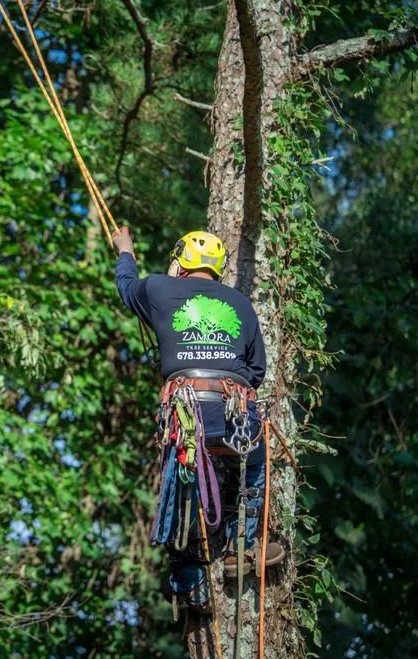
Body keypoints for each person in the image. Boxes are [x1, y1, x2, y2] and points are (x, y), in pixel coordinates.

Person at [112, 226, 284, 611]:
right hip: (233, 411)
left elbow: (126, 286)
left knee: (182, 480)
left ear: (180, 263)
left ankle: (189, 583)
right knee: (253, 463)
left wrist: (125, 249)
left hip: (186, 414)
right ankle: (241, 547)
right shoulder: (239, 303)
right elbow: (256, 370)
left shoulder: (157, 289)